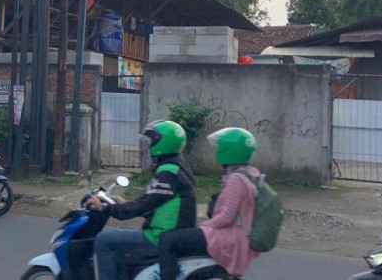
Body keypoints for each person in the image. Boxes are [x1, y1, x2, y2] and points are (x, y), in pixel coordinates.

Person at [85, 120, 196, 280]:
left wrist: (107, 209)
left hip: (160, 237)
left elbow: (144, 205)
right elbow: (153, 202)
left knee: (104, 240)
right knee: (119, 237)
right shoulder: (176, 167)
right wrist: (124, 205)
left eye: (152, 141)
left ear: (161, 143)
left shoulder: (168, 173)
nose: (150, 146)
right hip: (166, 232)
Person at [158, 127, 261, 280]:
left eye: (220, 147)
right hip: (240, 234)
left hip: (230, 236)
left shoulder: (236, 178)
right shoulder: (251, 173)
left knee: (168, 239)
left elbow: (226, 216)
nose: (217, 150)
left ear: (230, 150)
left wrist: (205, 226)